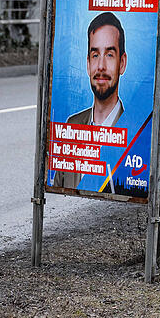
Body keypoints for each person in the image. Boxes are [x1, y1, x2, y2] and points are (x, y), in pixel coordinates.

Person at [53, 12, 127, 189]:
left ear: (122, 63)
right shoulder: (73, 125)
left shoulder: (135, 132)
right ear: (88, 64)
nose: (101, 66)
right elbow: (59, 191)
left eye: (109, 54)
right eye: (95, 55)